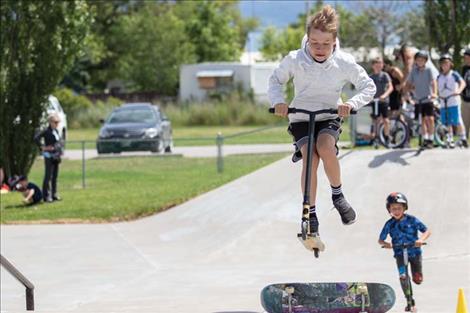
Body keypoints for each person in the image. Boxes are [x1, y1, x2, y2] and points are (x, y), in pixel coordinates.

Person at [268, 5, 375, 238]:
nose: (320, 48)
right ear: (308, 38)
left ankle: (338, 196)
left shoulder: (344, 62)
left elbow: (369, 86)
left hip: (328, 114)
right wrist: (279, 102)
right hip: (301, 116)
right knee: (310, 157)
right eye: (315, 43)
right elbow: (276, 80)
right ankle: (310, 212)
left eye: (326, 44)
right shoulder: (295, 59)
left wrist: (352, 104)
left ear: (334, 41)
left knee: (325, 147)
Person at [379, 192, 431, 312]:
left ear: (404, 208)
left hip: (415, 252)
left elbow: (427, 231)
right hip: (399, 254)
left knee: (417, 279)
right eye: (393, 209)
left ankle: (417, 275)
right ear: (389, 210)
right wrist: (388, 244)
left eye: (399, 208)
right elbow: (380, 240)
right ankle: (410, 301)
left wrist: (420, 240)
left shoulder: (412, 220)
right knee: (403, 276)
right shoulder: (389, 224)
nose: (396, 211)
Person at [404, 50, 438, 149]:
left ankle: (431, 139)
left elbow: (433, 82)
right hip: (418, 99)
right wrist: (406, 94)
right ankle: (425, 139)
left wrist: (435, 93)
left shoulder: (429, 70)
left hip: (428, 98)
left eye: (422, 60)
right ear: (416, 61)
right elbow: (408, 84)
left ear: (425, 61)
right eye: (418, 60)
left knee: (430, 119)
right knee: (421, 120)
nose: (420, 61)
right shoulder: (413, 71)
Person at [437, 54, 467, 148]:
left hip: (453, 100)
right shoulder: (439, 77)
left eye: (446, 63)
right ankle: (449, 138)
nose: (444, 65)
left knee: (457, 120)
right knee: (446, 121)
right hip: (443, 101)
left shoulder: (454, 74)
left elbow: (463, 83)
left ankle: (463, 138)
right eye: (442, 63)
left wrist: (458, 91)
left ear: (450, 64)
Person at [34, 113, 63, 202]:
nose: (57, 124)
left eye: (58, 122)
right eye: (55, 122)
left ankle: (54, 194)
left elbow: (58, 142)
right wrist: (43, 147)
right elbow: (36, 138)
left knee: (55, 176)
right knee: (48, 176)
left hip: (56, 156)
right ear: (50, 122)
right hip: (48, 156)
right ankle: (46, 196)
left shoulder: (56, 131)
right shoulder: (46, 131)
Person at [369, 57, 394, 146]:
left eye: (380, 63)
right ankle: (375, 138)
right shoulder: (370, 77)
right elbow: (366, 89)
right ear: (373, 66)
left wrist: (384, 95)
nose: (378, 65)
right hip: (374, 101)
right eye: (376, 63)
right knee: (375, 120)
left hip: (383, 101)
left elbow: (391, 87)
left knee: (386, 120)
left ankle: (387, 137)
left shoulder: (384, 75)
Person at [461, 48, 470, 140]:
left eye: (467, 57)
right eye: (465, 58)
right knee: (465, 123)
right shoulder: (464, 68)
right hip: (465, 100)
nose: (466, 59)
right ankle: (464, 141)